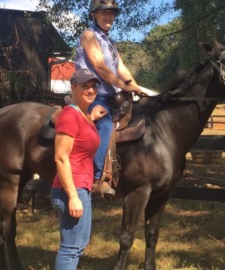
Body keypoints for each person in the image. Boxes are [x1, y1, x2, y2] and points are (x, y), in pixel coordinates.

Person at [75, 0, 148, 197]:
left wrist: (135, 86)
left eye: (112, 13)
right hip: (91, 94)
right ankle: (98, 178)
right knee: (106, 125)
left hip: (109, 95)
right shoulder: (89, 36)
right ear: (94, 15)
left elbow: (120, 68)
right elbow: (99, 66)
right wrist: (124, 86)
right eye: (104, 12)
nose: (109, 16)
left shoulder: (110, 42)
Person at [51, 68, 106, 270]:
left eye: (93, 86)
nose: (91, 90)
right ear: (73, 87)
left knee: (78, 246)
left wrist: (91, 117)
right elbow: (61, 158)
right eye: (85, 86)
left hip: (80, 188)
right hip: (70, 189)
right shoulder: (69, 116)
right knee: (71, 248)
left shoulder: (82, 115)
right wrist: (73, 196)